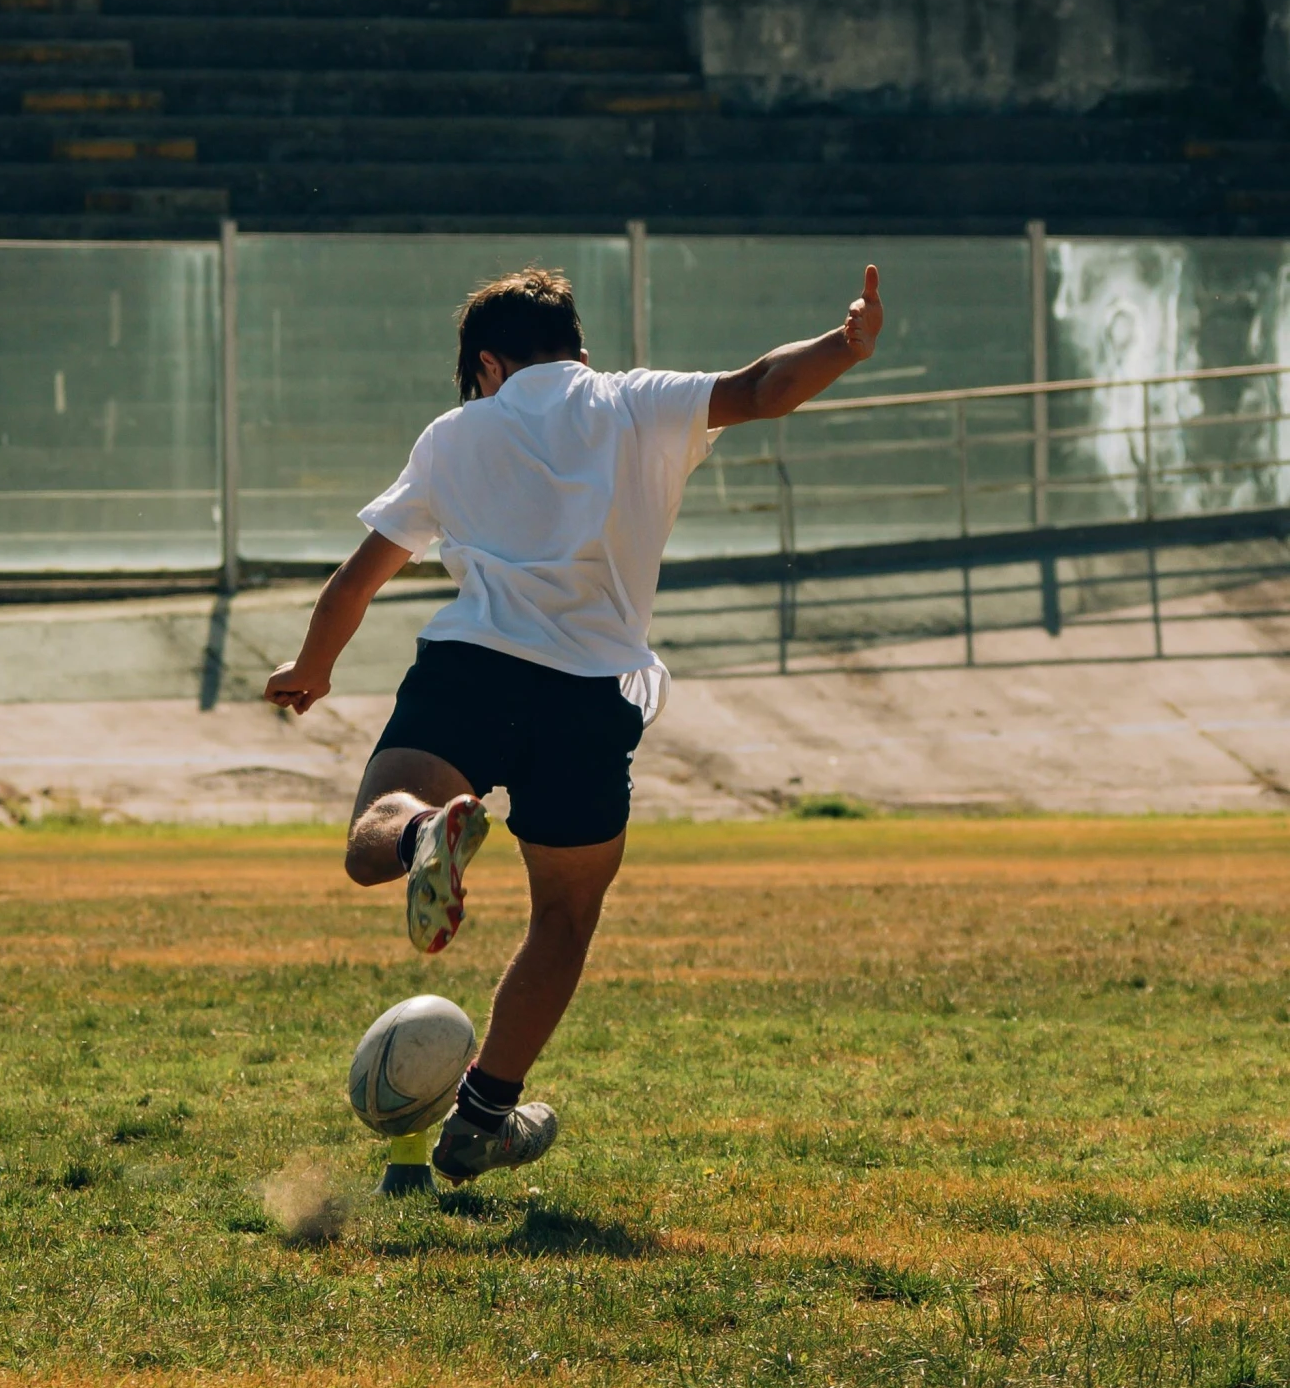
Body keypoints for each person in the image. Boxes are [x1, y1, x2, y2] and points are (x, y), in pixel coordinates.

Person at [264, 262, 884, 1184]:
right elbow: (764, 387)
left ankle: (423, 834)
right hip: (590, 696)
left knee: (371, 835)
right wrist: (847, 342)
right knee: (564, 912)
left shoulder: (455, 433)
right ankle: (481, 1117)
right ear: (578, 352)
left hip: (470, 669)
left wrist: (310, 668)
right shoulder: (634, 402)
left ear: (484, 364)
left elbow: (356, 578)